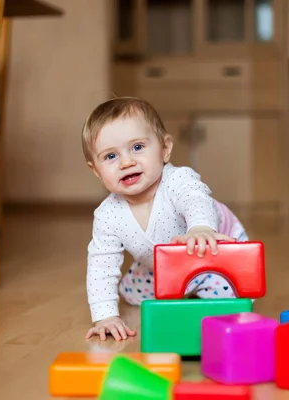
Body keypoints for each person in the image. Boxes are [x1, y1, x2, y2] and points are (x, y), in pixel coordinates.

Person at [81, 97, 249, 341]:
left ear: (165, 149)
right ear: (96, 170)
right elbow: (101, 266)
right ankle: (182, 288)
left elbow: (196, 199)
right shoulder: (107, 215)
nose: (126, 162)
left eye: (137, 147)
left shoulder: (178, 180)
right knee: (133, 293)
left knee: (225, 305)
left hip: (213, 251)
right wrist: (105, 316)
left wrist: (201, 227)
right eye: (110, 157)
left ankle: (202, 290)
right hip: (160, 265)